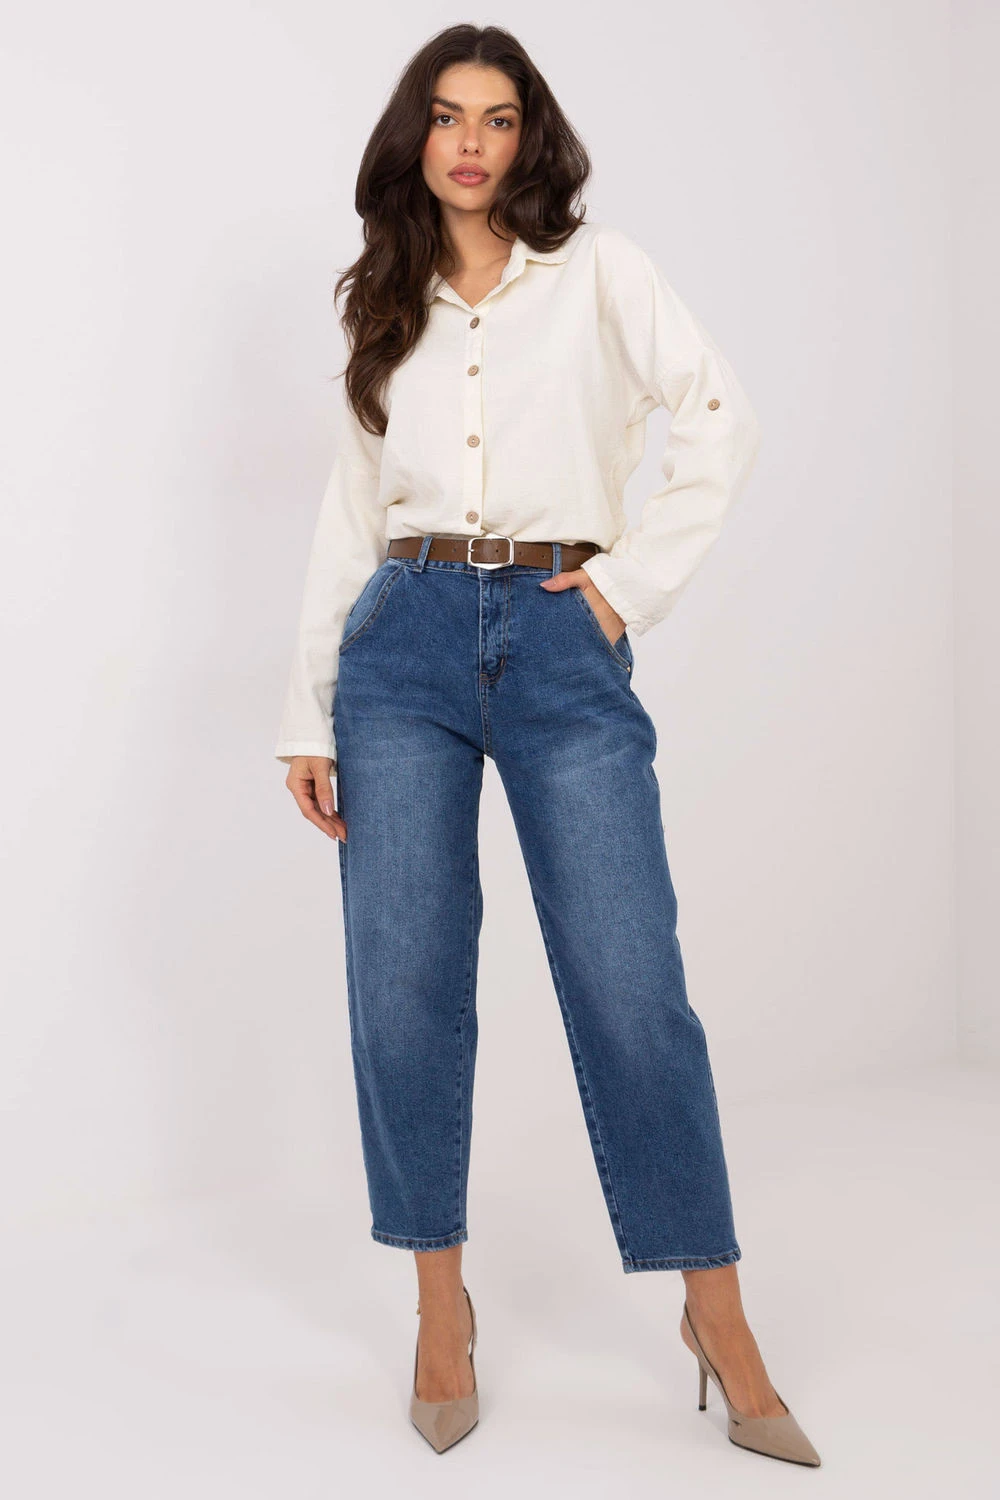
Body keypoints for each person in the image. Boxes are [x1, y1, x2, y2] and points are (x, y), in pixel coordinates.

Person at [274, 22, 820, 1467]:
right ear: (416, 136)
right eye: (448, 116)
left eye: (499, 118)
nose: (471, 142)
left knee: (632, 987)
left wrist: (626, 588)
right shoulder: (384, 302)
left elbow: (722, 422)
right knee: (404, 985)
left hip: (563, 638)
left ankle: (719, 1315)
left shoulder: (602, 274)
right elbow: (350, 511)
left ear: (531, 137)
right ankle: (437, 1310)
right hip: (398, 649)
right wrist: (306, 711)